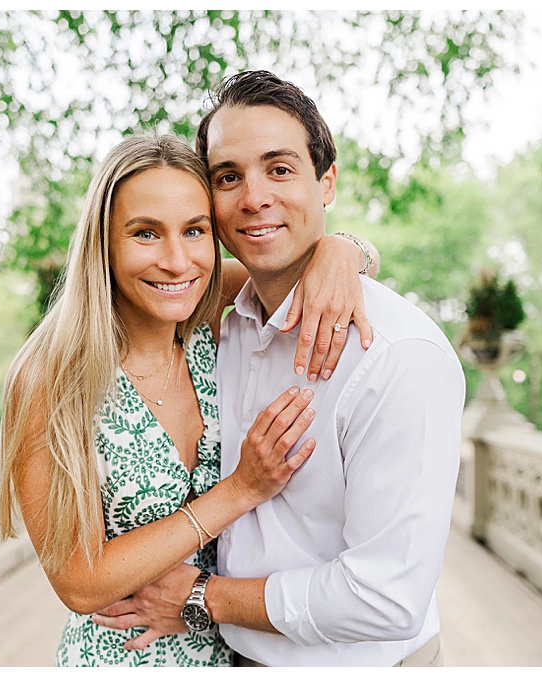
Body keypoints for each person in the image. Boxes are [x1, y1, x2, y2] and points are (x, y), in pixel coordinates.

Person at [89, 70, 464, 667]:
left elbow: (387, 598)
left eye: (280, 168)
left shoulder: (397, 356)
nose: (254, 197)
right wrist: (349, 248)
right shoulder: (212, 313)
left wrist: (202, 599)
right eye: (228, 177)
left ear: (327, 181)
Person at [0, 133, 381, 667]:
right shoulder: (49, 378)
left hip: (234, 646)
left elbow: (302, 269)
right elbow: (80, 585)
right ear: (102, 244)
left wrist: (346, 248)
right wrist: (240, 490)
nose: (176, 261)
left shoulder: (205, 313)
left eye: (195, 231)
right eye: (145, 233)